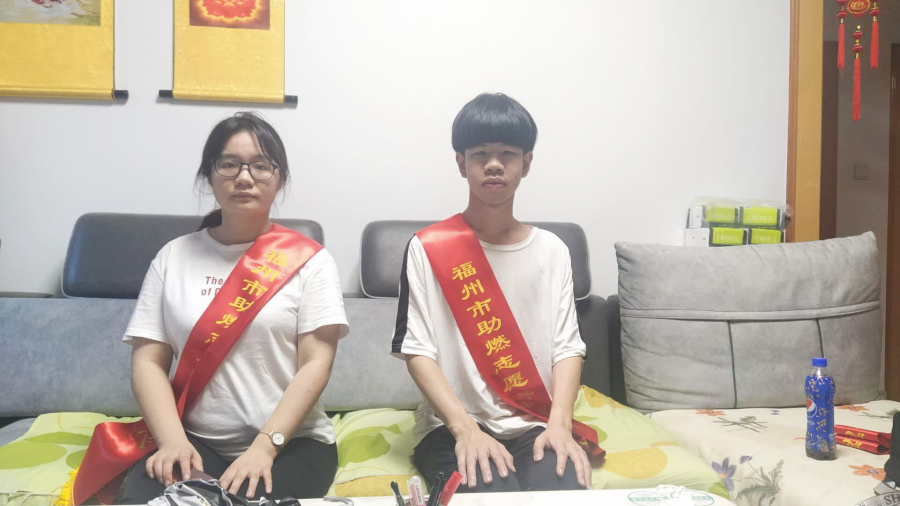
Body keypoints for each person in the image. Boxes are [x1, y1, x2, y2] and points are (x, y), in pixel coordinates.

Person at [117, 112, 349, 502]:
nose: (244, 177)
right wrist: (172, 441)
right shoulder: (174, 257)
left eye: (260, 165)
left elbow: (316, 364)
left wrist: (265, 447)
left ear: (280, 178)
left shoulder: (312, 262)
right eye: (229, 164)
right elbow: (147, 362)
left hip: (290, 444)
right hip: (194, 440)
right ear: (209, 174)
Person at [391, 93, 599, 493]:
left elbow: (567, 346)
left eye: (507, 153)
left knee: (563, 491)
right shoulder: (427, 247)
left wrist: (559, 425)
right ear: (461, 163)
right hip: (452, 426)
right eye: (480, 153)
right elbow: (417, 350)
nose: (493, 164)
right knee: (489, 493)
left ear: (527, 163)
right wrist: (465, 430)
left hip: (535, 422)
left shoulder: (552, 250)